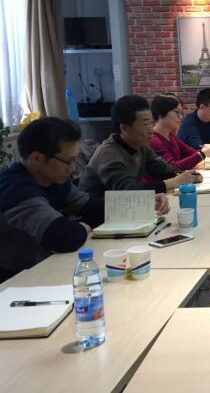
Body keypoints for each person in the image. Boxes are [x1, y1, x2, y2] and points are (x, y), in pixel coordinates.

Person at [0, 117, 168, 281]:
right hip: (18, 280)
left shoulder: (52, 178)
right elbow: (63, 237)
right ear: (37, 158)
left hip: (51, 266)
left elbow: (89, 206)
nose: (73, 168)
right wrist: (82, 226)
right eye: (68, 161)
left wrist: (145, 204)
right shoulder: (16, 189)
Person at [79, 95, 201, 198]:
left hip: (124, 210)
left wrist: (186, 175)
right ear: (124, 128)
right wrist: (174, 182)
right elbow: (128, 190)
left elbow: (162, 169)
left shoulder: (140, 146)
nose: (151, 130)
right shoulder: (109, 153)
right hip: (98, 216)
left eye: (151, 123)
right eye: (146, 124)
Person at [149, 94, 210, 173]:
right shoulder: (154, 140)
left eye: (181, 113)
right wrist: (202, 154)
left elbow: (190, 152)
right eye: (177, 112)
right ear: (161, 113)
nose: (180, 117)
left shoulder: (170, 135)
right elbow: (172, 168)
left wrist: (202, 154)